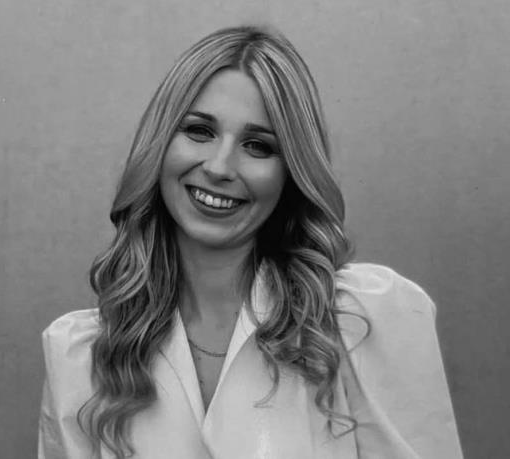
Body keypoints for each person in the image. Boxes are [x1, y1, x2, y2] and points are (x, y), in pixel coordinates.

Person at [38, 25, 463, 459]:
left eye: (258, 146)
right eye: (199, 131)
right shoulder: (79, 357)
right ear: (159, 145)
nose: (220, 167)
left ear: (291, 173)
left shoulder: (365, 319)